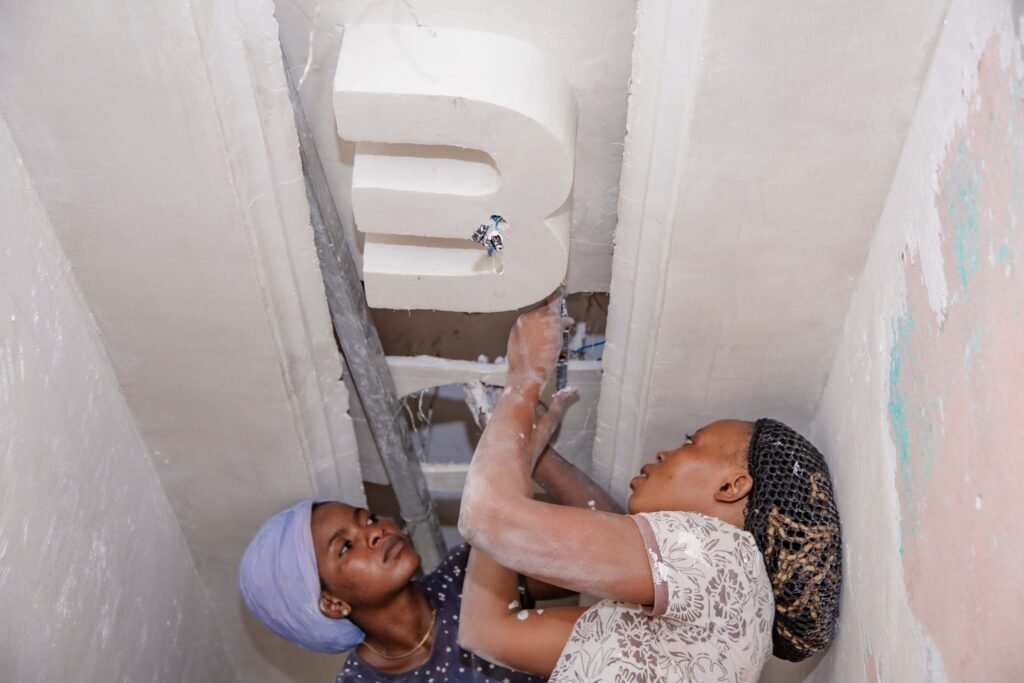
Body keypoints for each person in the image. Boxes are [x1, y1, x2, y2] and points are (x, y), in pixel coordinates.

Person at [457, 299, 843, 681]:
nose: (664, 453)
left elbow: (487, 518)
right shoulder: (728, 620)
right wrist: (521, 458)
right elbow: (486, 631)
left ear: (732, 486)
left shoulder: (728, 558)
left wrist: (524, 381)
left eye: (691, 442)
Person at [238, 388, 621, 682]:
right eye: (346, 546)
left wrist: (531, 452)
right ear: (333, 604)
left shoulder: (465, 577)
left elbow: (613, 554)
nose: (375, 532)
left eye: (367, 519)